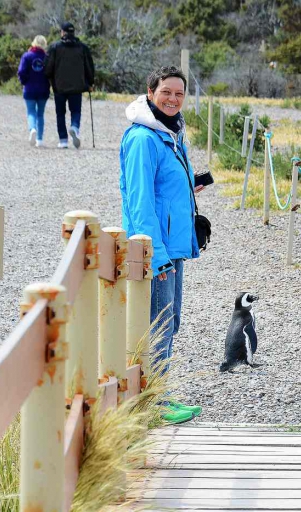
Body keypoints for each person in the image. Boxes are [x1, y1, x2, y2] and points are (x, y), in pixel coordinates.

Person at [119, 66, 205, 424]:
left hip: (172, 247)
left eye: (179, 94)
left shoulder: (170, 133)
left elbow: (162, 189)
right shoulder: (143, 139)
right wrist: (158, 258)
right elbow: (140, 204)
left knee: (169, 322)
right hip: (157, 253)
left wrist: (189, 188)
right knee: (157, 325)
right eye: (166, 92)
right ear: (150, 92)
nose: (172, 99)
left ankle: (158, 395)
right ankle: (155, 403)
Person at [44, 22, 94, 149]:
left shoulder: (55, 47)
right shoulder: (82, 48)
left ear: (62, 32)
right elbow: (89, 67)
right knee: (76, 111)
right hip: (77, 87)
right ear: (73, 33)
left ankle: (63, 140)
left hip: (59, 86)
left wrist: (48, 80)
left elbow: (48, 67)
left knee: (60, 113)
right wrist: (90, 83)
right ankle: (75, 127)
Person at [17, 36, 51, 148]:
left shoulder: (27, 56)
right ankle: (39, 139)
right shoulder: (46, 57)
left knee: (31, 112)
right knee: (40, 114)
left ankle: (32, 129)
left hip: (29, 89)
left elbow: (21, 71)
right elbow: (50, 73)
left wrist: (24, 81)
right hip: (43, 89)